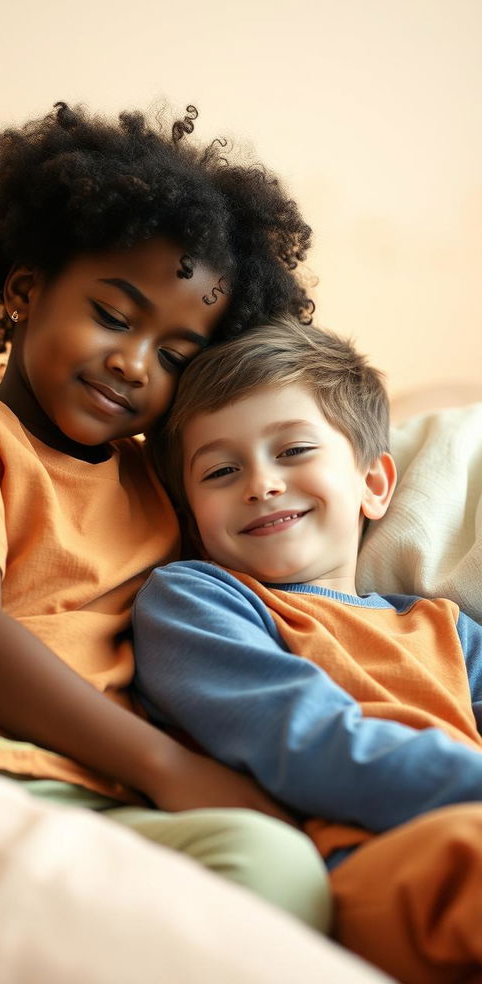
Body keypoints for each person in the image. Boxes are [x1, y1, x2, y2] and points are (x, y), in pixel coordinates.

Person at [0, 101, 330, 929]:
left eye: (177, 355)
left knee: (276, 866)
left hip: (95, 788)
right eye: (113, 316)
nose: (135, 363)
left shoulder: (157, 481)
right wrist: (168, 767)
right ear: (26, 289)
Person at [133, 316, 482, 984]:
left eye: (292, 451)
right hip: (360, 860)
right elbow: (305, 740)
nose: (260, 483)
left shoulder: (444, 626)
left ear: (375, 485)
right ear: (193, 520)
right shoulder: (197, 600)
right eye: (222, 470)